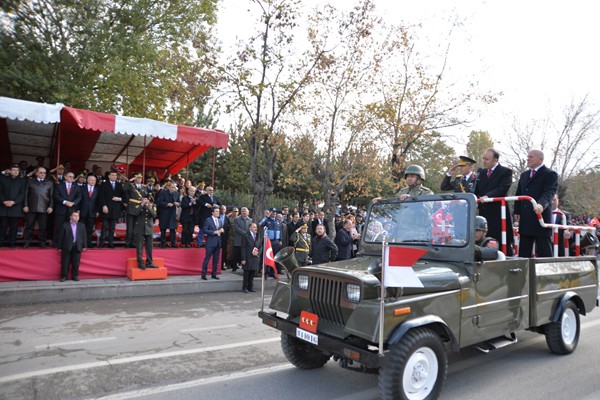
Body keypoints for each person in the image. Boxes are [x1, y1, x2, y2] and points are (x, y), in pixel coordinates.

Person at [513, 149, 558, 257]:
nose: (528, 159)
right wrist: (517, 211)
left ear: (540, 159)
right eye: (528, 156)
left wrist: (541, 205)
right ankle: (524, 273)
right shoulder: (524, 175)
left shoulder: (550, 174)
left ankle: (548, 273)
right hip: (526, 219)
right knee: (524, 253)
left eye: (531, 157)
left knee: (544, 252)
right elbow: (519, 193)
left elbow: (549, 192)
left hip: (540, 217)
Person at [474, 148, 514, 255]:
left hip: (498, 214)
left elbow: (502, 188)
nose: (484, 161)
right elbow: (476, 190)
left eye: (487, 159)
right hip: (484, 214)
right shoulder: (481, 173)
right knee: (485, 243)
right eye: (483, 159)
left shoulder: (505, 172)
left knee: (501, 242)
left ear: (495, 159)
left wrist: (488, 196)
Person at [23, 167, 54, 248]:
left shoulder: (49, 182)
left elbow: (51, 196)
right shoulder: (30, 181)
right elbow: (26, 194)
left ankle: (42, 243)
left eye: (44, 173)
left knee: (43, 227)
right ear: (36, 173)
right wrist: (25, 205)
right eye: (40, 172)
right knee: (29, 226)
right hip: (31, 206)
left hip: (44, 207)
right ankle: (27, 242)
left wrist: (51, 206)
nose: (42, 174)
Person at [0, 163, 26, 248]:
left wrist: (14, 202)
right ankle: (1, 242)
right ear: (10, 171)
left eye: (17, 170)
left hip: (15, 207)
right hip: (3, 206)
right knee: (2, 226)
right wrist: (3, 201)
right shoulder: (3, 178)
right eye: (14, 170)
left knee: (14, 226)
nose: (16, 172)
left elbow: (22, 194)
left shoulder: (22, 180)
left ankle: (12, 243)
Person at [56, 210, 86, 282]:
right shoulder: (65, 225)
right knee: (65, 262)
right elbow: (61, 237)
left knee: (76, 262)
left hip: (77, 245)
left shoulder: (82, 225)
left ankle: (75, 275)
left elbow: (84, 236)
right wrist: (59, 247)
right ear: (71, 217)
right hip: (67, 246)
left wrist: (84, 245)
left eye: (78, 216)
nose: (76, 217)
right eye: (74, 216)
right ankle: (64, 276)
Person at [53, 171, 82, 244]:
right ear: (65, 177)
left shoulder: (76, 186)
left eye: (73, 177)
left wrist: (73, 203)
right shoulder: (59, 185)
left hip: (72, 210)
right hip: (61, 209)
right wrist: (65, 202)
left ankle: (69, 243)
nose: (72, 178)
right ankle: (57, 243)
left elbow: (79, 197)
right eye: (70, 176)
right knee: (58, 227)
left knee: (70, 227)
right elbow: (56, 196)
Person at [98, 170, 124, 248]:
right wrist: (103, 205)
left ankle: (111, 243)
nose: (114, 177)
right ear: (109, 176)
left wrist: (119, 199)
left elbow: (124, 196)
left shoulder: (119, 185)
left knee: (112, 227)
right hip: (106, 208)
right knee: (104, 226)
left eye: (115, 175)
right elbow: (101, 196)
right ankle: (102, 242)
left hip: (115, 209)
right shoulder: (104, 184)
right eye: (112, 175)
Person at [122, 172, 146, 248]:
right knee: (130, 227)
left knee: (137, 227)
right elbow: (124, 188)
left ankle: (135, 243)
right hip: (131, 208)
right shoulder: (130, 185)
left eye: (140, 178)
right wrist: (130, 180)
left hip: (140, 208)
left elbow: (146, 196)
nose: (140, 179)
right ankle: (128, 243)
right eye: (138, 177)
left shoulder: (144, 187)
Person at [134, 196, 159, 270]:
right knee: (139, 246)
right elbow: (135, 213)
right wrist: (142, 204)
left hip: (149, 228)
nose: (145, 200)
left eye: (146, 199)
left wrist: (149, 208)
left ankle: (149, 263)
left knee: (149, 246)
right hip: (140, 228)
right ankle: (140, 263)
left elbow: (154, 215)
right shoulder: (138, 205)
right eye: (144, 199)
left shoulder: (152, 205)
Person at [201, 206, 224, 280]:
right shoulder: (208, 220)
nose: (218, 213)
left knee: (216, 259)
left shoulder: (220, 221)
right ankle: (203, 274)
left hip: (218, 242)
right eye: (216, 211)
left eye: (218, 211)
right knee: (207, 258)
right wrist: (213, 232)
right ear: (212, 212)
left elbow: (220, 230)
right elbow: (204, 230)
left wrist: (221, 230)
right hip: (210, 242)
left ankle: (214, 274)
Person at [157, 181, 181, 248]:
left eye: (174, 187)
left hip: (172, 213)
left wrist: (178, 204)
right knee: (163, 228)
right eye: (172, 187)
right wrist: (167, 204)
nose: (173, 189)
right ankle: (163, 243)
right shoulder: (163, 193)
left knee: (172, 229)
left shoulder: (176, 193)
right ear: (168, 187)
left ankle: (173, 243)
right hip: (164, 213)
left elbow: (179, 202)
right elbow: (160, 202)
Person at [79, 174, 100, 247]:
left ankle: (89, 243)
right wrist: (78, 210)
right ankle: (81, 243)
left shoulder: (98, 189)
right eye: (91, 180)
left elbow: (99, 201)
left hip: (92, 212)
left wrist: (98, 211)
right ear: (87, 180)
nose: (93, 181)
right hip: (82, 211)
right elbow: (79, 200)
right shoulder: (82, 188)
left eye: (94, 180)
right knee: (81, 228)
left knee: (90, 228)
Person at [241, 222, 261, 293]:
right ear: (250, 228)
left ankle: (250, 287)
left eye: (256, 227)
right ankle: (245, 287)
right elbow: (243, 248)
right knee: (246, 273)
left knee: (252, 273)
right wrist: (243, 258)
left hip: (255, 257)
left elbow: (260, 246)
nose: (255, 228)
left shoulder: (258, 236)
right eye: (254, 227)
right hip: (248, 257)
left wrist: (258, 253)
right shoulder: (245, 235)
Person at [233, 207, 252, 271]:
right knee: (236, 253)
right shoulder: (236, 219)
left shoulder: (250, 220)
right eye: (243, 211)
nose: (244, 212)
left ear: (248, 213)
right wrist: (244, 233)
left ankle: (245, 267)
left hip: (247, 240)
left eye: (245, 211)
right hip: (239, 239)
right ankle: (234, 267)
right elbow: (236, 228)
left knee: (245, 253)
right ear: (241, 212)